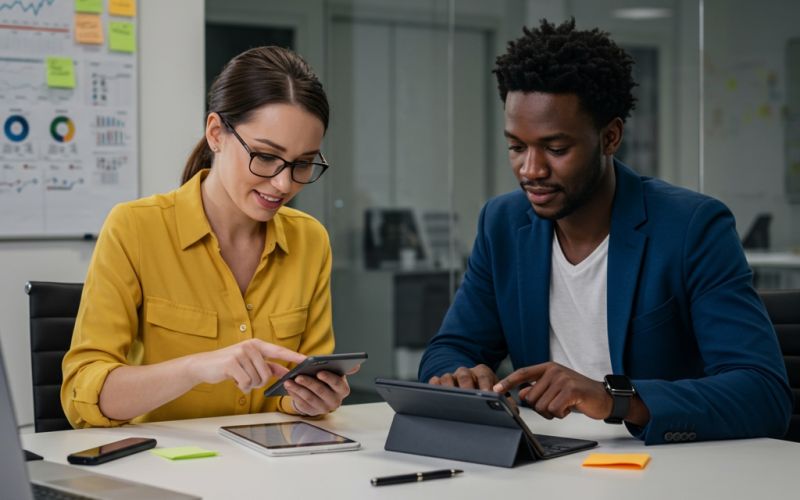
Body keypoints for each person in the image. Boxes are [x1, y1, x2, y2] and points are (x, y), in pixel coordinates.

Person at [418, 19, 792, 444]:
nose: (531, 170)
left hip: (667, 468)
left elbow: (763, 395)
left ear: (610, 137)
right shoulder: (503, 224)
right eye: (517, 146)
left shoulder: (692, 227)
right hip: (549, 464)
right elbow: (448, 350)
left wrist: (614, 398)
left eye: (556, 149)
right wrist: (460, 377)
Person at [62, 46, 351, 428]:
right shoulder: (134, 228)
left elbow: (295, 394)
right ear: (216, 133)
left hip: (270, 471)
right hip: (160, 471)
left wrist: (311, 399)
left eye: (302, 164)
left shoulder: (310, 241)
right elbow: (83, 393)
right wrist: (197, 368)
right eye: (265, 156)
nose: (283, 183)